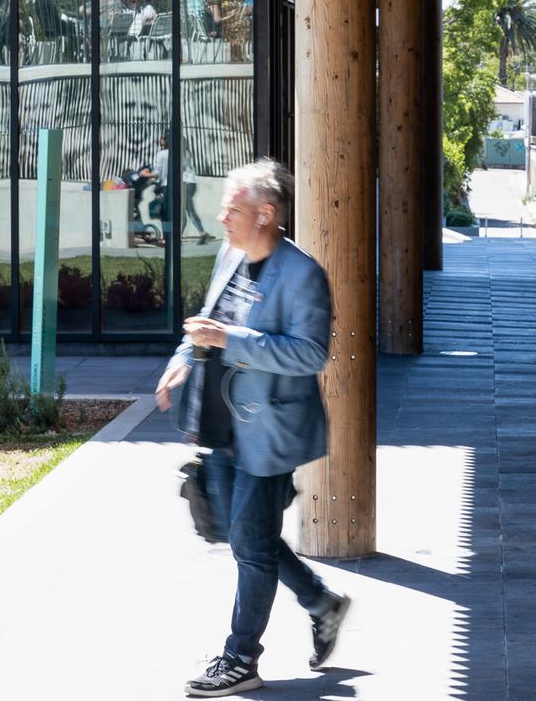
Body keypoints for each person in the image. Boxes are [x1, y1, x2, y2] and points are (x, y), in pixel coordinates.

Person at [156, 159, 350, 697]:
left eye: (232, 209)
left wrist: (229, 340)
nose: (221, 217)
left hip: (270, 433)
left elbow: (311, 354)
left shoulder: (302, 274)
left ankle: (241, 658)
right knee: (241, 533)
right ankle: (321, 602)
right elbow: (206, 322)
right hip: (221, 425)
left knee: (250, 545)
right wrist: (182, 359)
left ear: (265, 214)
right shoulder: (231, 254)